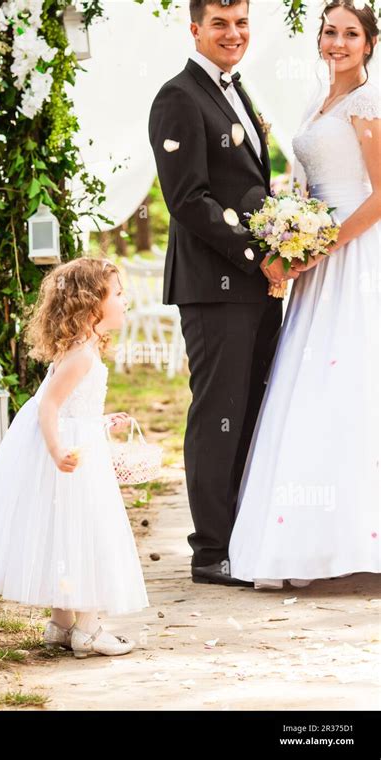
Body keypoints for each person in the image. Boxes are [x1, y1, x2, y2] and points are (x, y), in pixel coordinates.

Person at [229, 0, 380, 588]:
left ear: (367, 44)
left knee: (353, 381)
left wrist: (321, 248)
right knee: (312, 383)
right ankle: (308, 542)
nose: (337, 42)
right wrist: (288, 242)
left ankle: (354, 540)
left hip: (354, 254)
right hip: (316, 256)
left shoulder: (366, 103)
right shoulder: (316, 103)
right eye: (329, 31)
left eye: (350, 34)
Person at [148, 0, 299, 586]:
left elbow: (249, 186)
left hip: (257, 284)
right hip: (216, 286)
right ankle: (211, 551)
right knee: (219, 414)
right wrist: (255, 255)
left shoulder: (238, 89)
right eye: (220, 24)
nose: (232, 34)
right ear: (195, 29)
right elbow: (188, 200)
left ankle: (242, 536)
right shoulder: (178, 97)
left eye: (240, 23)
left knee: (251, 408)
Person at [0, 257, 149, 657]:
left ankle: (61, 623)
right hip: (71, 455)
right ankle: (89, 630)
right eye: (119, 294)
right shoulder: (82, 358)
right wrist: (59, 450)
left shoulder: (83, 350)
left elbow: (73, 406)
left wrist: (100, 420)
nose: (126, 301)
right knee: (88, 530)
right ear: (93, 304)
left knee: (67, 530)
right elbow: (48, 407)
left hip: (77, 443)